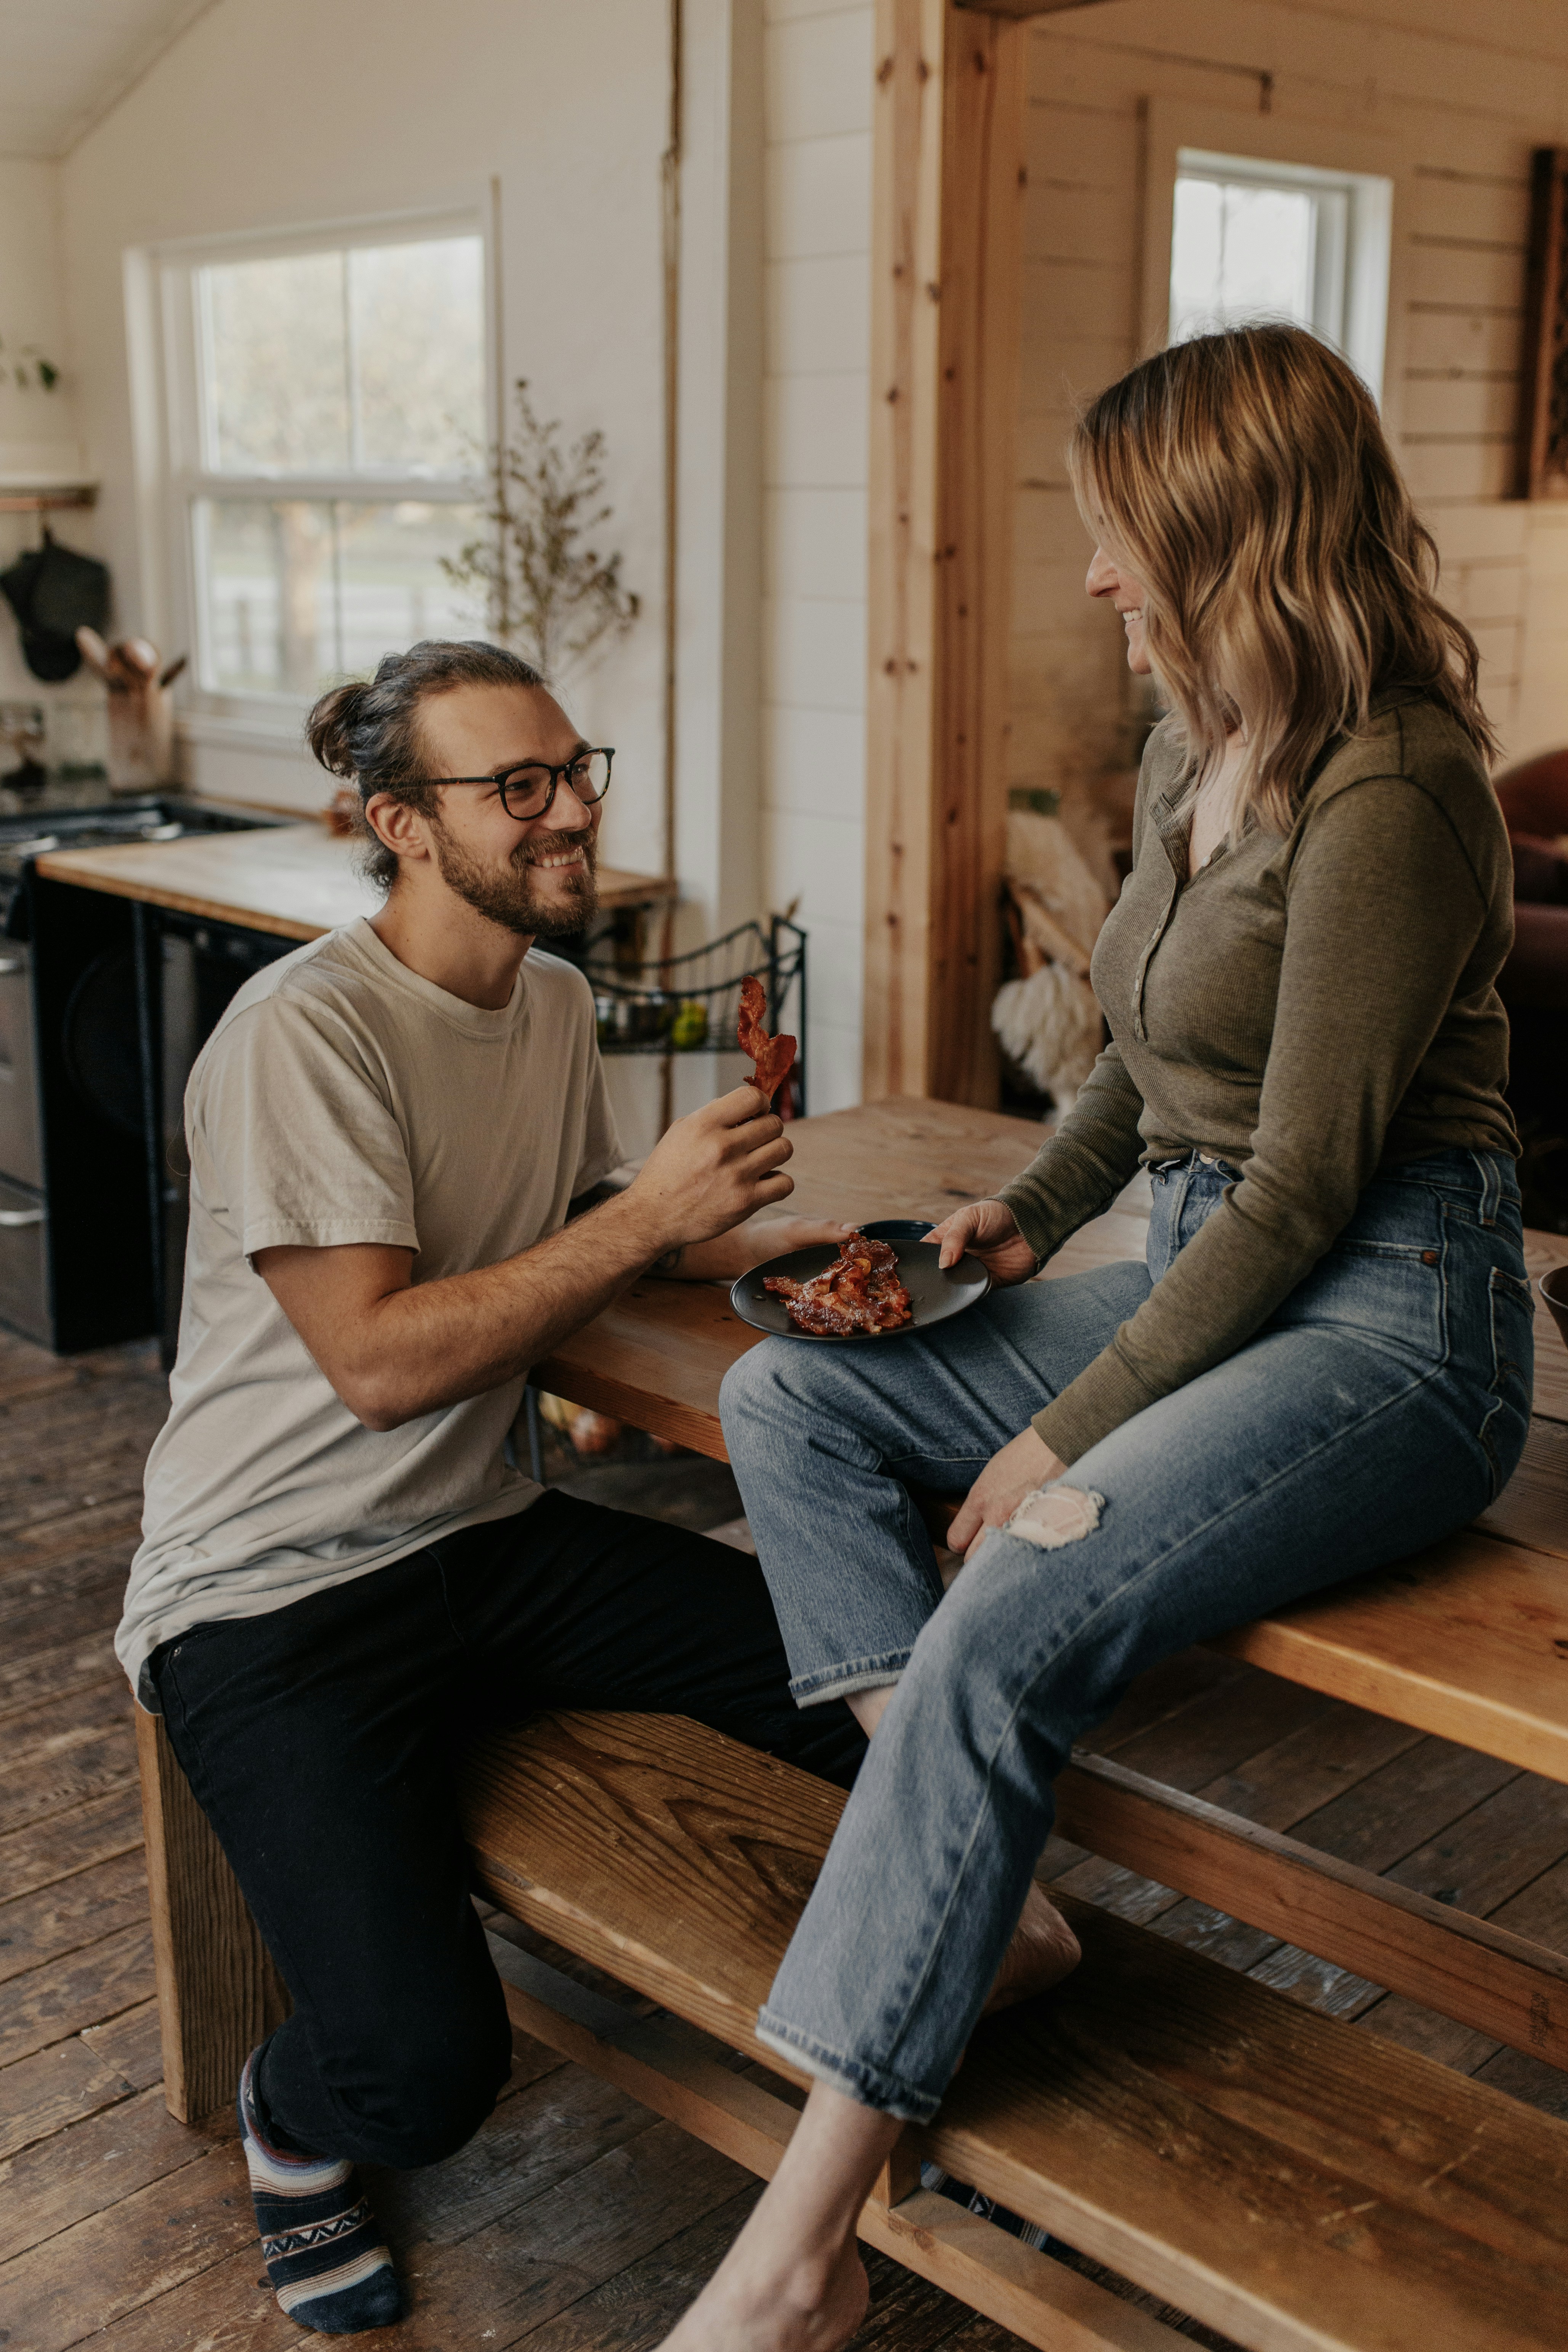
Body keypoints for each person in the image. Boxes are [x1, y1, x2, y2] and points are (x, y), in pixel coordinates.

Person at [667, 322, 1535, 2351]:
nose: (1092, 578)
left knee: (1007, 1609)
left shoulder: (1398, 785)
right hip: (1205, 1267)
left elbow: (1316, 1177)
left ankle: (798, 2253)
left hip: (1400, 1320)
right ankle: (994, 1899)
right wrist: (1028, 1212)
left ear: (1232, 529)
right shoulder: (1184, 744)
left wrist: (1061, 1432)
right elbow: (1152, 1067)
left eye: (1120, 536)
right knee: (789, 1387)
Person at [116, 639, 863, 2337]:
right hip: (268, 1593)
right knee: (427, 2074)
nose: (573, 809)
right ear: (402, 823)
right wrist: (644, 1221)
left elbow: (568, 1227)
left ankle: (912, 2016)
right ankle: (289, 2122)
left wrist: (756, 1250)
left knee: (863, 1657)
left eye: (573, 769)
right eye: (516, 787)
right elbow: (378, 1362)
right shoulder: (301, 1034)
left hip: (482, 1542)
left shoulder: (551, 1001)